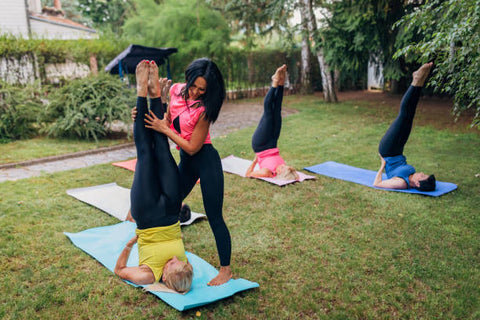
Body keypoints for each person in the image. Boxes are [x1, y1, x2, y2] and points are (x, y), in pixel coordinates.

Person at [132, 58, 232, 286]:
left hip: (206, 161)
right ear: (188, 79)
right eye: (194, 86)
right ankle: (158, 230)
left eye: (202, 89)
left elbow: (192, 147)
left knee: (214, 215)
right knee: (172, 200)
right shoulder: (176, 91)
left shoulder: (205, 109)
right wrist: (151, 111)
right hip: (187, 162)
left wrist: (165, 129)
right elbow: (167, 120)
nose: (196, 92)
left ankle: (226, 269)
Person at [114, 60, 193, 293]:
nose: (176, 260)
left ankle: (141, 91)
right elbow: (182, 269)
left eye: (173, 266)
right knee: (161, 146)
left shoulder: (147, 276)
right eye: (182, 262)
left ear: (166, 278)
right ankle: (156, 95)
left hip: (146, 215)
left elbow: (120, 270)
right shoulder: (184, 270)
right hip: (170, 212)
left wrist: (130, 245)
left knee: (146, 154)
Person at [373, 62, 436, 191]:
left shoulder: (401, 183)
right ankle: (418, 81)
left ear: (418, 183)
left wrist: (382, 164)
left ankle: (417, 81)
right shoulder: (412, 175)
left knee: (403, 116)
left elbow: (377, 184)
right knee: (409, 115)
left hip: (388, 150)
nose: (422, 172)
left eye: (422, 176)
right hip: (398, 150)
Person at [245, 65, 299, 181]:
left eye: (283, 168)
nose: (283, 166)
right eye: (285, 166)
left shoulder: (267, 172)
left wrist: (255, 161)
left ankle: (274, 81)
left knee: (269, 112)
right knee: (277, 110)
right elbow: (296, 176)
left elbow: (248, 174)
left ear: (279, 173)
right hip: (273, 143)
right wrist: (290, 171)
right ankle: (281, 82)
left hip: (261, 145)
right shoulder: (286, 170)